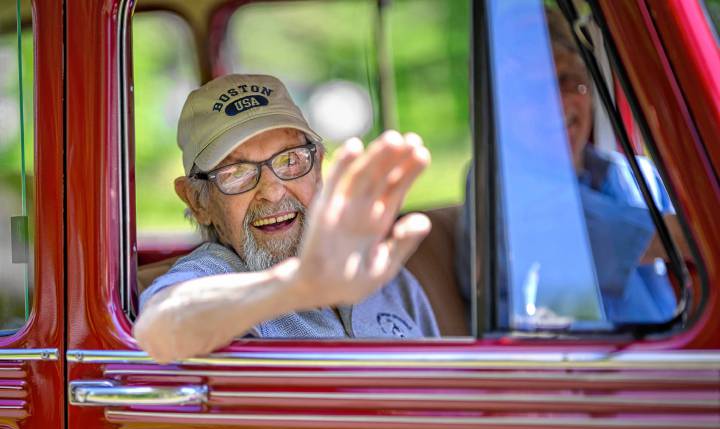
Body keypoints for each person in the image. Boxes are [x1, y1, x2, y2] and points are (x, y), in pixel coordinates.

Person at [135, 74, 440, 364]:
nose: (272, 191)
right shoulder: (212, 276)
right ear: (197, 201)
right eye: (236, 173)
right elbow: (158, 328)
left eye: (290, 160)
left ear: (319, 166)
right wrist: (298, 286)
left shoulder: (379, 270)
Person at [455, 7, 680, 325]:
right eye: (530, 90)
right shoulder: (497, 187)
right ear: (498, 106)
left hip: (664, 355)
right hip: (568, 368)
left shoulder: (634, 175)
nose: (557, 103)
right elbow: (665, 240)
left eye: (567, 81)